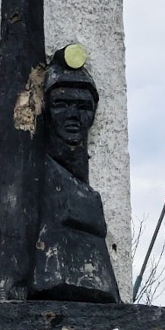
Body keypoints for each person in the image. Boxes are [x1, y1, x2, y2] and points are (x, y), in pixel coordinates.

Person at [29, 43, 121, 302]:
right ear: (46, 110)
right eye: (62, 104)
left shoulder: (84, 186)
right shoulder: (40, 177)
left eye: (82, 107)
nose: (72, 115)